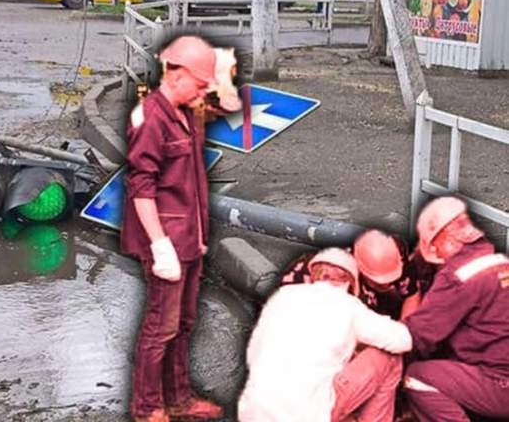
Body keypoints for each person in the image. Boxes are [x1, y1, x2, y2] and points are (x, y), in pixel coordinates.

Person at [121, 36, 223, 422]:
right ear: (176, 74)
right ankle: (147, 408)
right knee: (159, 328)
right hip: (168, 242)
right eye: (200, 82)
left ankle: (178, 399)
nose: (204, 90)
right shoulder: (149, 118)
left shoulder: (185, 112)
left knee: (182, 324)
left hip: (190, 239)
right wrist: (159, 245)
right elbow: (141, 187)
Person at [239, 248, 413, 422]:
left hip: (253, 412)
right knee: (390, 357)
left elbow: (254, 354)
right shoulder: (348, 305)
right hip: (309, 416)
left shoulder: (282, 296)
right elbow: (403, 340)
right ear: (349, 283)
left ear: (314, 275)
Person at [403, 196, 509, 421]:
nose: (437, 257)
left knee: (418, 376)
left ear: (448, 240)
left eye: (436, 248)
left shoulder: (458, 276)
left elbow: (419, 334)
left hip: (502, 385)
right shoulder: (497, 261)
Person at [281, 229, 427, 319]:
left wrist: (405, 329)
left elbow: (412, 293)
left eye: (391, 277)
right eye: (377, 280)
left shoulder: (392, 255)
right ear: (359, 268)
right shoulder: (336, 281)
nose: (387, 283)